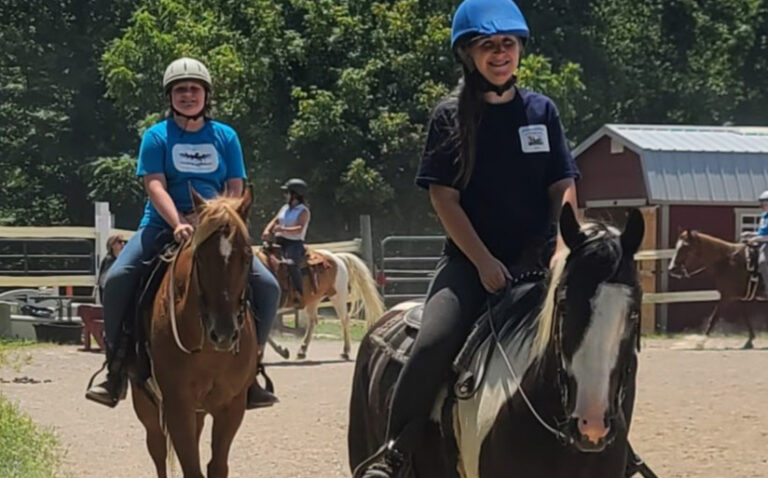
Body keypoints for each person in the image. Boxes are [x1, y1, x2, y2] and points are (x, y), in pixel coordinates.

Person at [355, 0, 581, 476]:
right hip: (471, 265)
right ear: (468, 55)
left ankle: (611, 450)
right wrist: (481, 262)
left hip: (540, 263)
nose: (500, 54)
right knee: (434, 342)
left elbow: (562, 184)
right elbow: (444, 198)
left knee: (595, 335)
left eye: (508, 44)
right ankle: (395, 451)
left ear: (519, 49)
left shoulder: (542, 111)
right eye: (488, 46)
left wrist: (565, 248)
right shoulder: (449, 117)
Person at [85, 57, 281, 409]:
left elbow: (235, 185)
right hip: (163, 224)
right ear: (170, 96)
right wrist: (177, 221)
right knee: (117, 278)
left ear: (206, 95)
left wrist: (220, 219)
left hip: (217, 228)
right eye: (180, 90)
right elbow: (155, 183)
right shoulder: (157, 136)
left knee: (268, 286)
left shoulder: (226, 136)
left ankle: (252, 370)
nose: (187, 95)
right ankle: (114, 369)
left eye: (194, 89)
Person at [262, 179, 311, 306]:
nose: (285, 195)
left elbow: (299, 228)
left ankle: (298, 293)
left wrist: (282, 229)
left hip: (294, 243)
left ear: (295, 195)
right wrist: (267, 231)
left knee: (291, 264)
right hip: (279, 241)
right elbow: (275, 221)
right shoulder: (284, 208)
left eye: (287, 193)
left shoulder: (303, 211)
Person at [744, 190, 768, 295]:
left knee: (762, 262)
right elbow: (761, 232)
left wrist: (756, 239)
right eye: (762, 203)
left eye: (765, 203)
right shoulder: (764, 216)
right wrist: (750, 234)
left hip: (766, 243)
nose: (763, 206)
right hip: (761, 241)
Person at [97, 235, 126, 301]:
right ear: (112, 245)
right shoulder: (109, 260)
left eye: (123, 241)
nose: (123, 244)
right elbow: (103, 282)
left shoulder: (119, 259)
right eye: (119, 242)